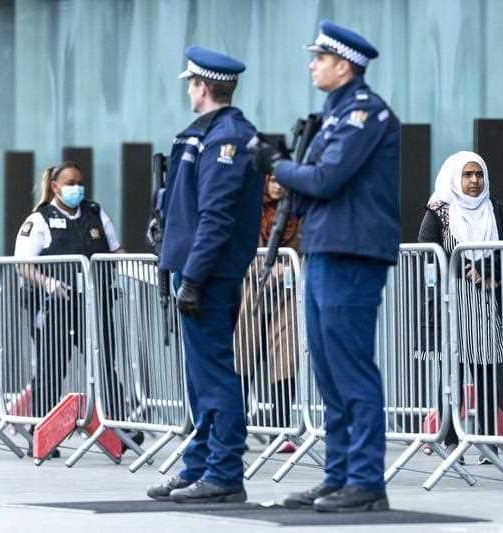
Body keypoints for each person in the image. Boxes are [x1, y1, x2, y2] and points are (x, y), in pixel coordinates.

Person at [253, 20, 400, 512]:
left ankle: (365, 479)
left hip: (351, 250)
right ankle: (339, 474)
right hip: (324, 247)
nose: (312, 64)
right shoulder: (334, 114)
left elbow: (327, 178)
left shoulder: (364, 114)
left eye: (320, 57)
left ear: (344, 65)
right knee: (326, 367)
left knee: (349, 364)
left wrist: (275, 165)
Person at [146, 46, 261, 503]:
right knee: (200, 377)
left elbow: (216, 216)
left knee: (214, 375)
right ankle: (199, 465)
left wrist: (192, 276)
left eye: (191, 82)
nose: (189, 89)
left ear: (203, 85)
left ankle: (225, 472)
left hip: (208, 273)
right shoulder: (203, 133)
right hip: (195, 268)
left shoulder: (227, 137)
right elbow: (185, 205)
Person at [14, 161, 139, 457]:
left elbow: (115, 250)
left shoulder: (94, 213)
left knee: (105, 364)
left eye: (79, 182)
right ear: (55, 187)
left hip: (95, 303)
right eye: (70, 183)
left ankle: (118, 425)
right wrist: (48, 284)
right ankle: (39, 428)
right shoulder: (39, 219)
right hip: (54, 305)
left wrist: (135, 269)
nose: (77, 188)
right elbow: (23, 265)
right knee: (51, 366)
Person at [416, 151, 503, 466]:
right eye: (467, 175)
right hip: (452, 299)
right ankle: (450, 439)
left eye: (479, 174)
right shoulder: (438, 212)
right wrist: (463, 270)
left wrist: (489, 275)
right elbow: (427, 251)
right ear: (454, 178)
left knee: (487, 370)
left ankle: (486, 442)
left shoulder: (495, 210)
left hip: (487, 298)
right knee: (452, 372)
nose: (474, 181)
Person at [235, 174, 300, 453]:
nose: (277, 185)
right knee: (243, 356)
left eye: (283, 180)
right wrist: (261, 267)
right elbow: (239, 245)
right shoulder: (250, 209)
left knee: (285, 357)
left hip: (287, 291)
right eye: (272, 180)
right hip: (251, 288)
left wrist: (289, 267)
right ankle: (235, 425)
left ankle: (280, 428)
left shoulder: (296, 212)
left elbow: (303, 245)